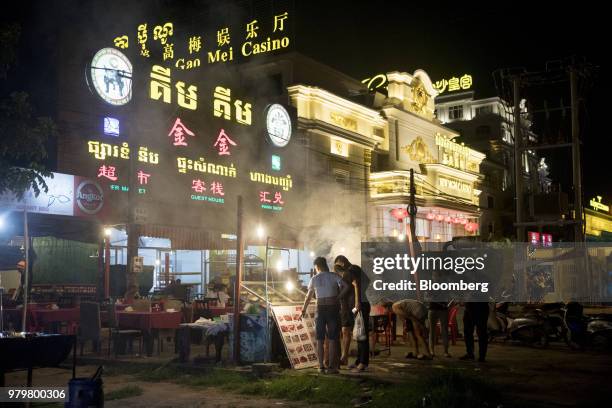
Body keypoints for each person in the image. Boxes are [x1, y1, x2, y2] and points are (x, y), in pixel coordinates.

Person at [301, 257, 349, 374]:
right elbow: (347, 287)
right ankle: (332, 367)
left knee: (319, 339)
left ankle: (321, 366)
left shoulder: (314, 278)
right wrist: (338, 297)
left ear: (317, 267)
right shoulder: (333, 276)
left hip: (320, 309)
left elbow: (308, 296)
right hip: (333, 308)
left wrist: (303, 309)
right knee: (333, 338)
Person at [335, 255, 370, 372]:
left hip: (359, 306)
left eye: (337, 266)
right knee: (359, 333)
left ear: (341, 263)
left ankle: (363, 363)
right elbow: (367, 281)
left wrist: (357, 301)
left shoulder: (349, 271)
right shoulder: (356, 268)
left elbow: (356, 283)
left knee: (361, 335)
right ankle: (358, 361)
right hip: (361, 304)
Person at [333, 261, 355, 366]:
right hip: (345, 308)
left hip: (347, 308)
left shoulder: (345, 276)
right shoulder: (345, 276)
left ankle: (344, 357)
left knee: (345, 331)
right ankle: (343, 356)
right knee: (344, 331)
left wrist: (338, 297)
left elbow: (347, 289)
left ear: (337, 272)